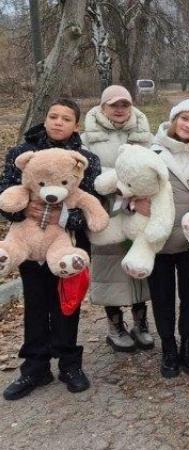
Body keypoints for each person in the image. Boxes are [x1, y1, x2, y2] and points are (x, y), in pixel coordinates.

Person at [1, 98, 101, 400]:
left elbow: (96, 204)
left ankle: (70, 364)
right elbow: (4, 191)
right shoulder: (21, 154)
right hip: (29, 244)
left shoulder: (85, 159)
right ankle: (35, 367)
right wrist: (23, 212)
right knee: (35, 304)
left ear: (76, 125)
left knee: (67, 305)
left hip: (68, 246)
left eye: (66, 118)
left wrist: (66, 216)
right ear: (45, 119)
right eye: (53, 116)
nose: (58, 122)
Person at [81, 85, 154, 353]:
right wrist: (114, 182)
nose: (120, 109)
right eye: (114, 105)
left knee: (138, 264)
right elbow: (85, 173)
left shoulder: (145, 134)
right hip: (106, 208)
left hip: (138, 207)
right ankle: (115, 325)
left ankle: (141, 322)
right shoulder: (88, 138)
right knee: (110, 265)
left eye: (125, 104)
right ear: (103, 107)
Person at [149, 99, 189, 378]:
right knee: (162, 297)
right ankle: (168, 347)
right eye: (185, 119)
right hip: (159, 240)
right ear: (174, 120)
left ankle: (188, 343)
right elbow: (129, 187)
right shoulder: (152, 152)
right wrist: (131, 205)